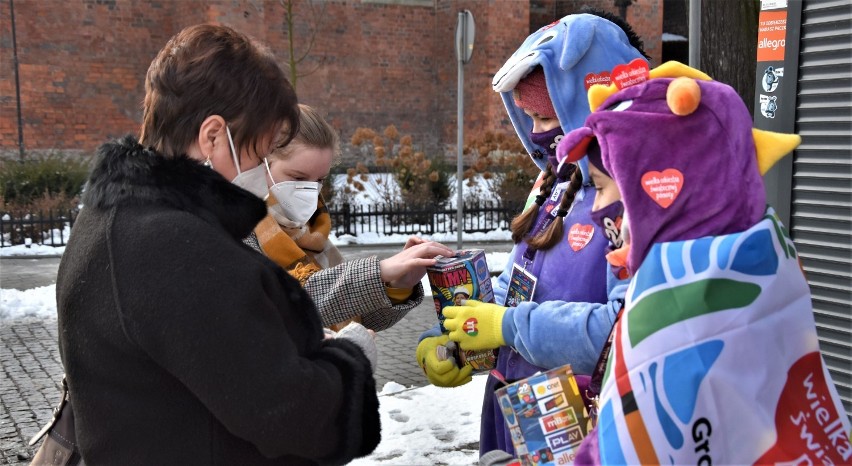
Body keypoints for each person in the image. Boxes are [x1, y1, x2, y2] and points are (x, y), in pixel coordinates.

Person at [55, 24, 380, 465]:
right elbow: (290, 415)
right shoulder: (177, 248)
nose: (263, 174)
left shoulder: (109, 219)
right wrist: (350, 358)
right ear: (212, 137)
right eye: (258, 154)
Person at [556, 61, 851, 464]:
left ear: (656, 193)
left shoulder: (672, 314)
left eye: (604, 187)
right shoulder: (756, 260)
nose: (598, 206)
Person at [415, 10, 649, 458]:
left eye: (548, 116)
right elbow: (520, 283)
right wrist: (455, 335)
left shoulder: (629, 197)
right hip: (517, 408)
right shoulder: (551, 182)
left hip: (582, 422)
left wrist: (505, 327)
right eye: (529, 118)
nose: (539, 135)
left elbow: (622, 333)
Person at [238, 104, 454, 333]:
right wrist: (377, 272)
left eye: (319, 180)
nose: (310, 190)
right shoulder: (240, 230)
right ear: (261, 165)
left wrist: (397, 286)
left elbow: (347, 310)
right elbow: (288, 305)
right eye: (297, 177)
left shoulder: (311, 233)